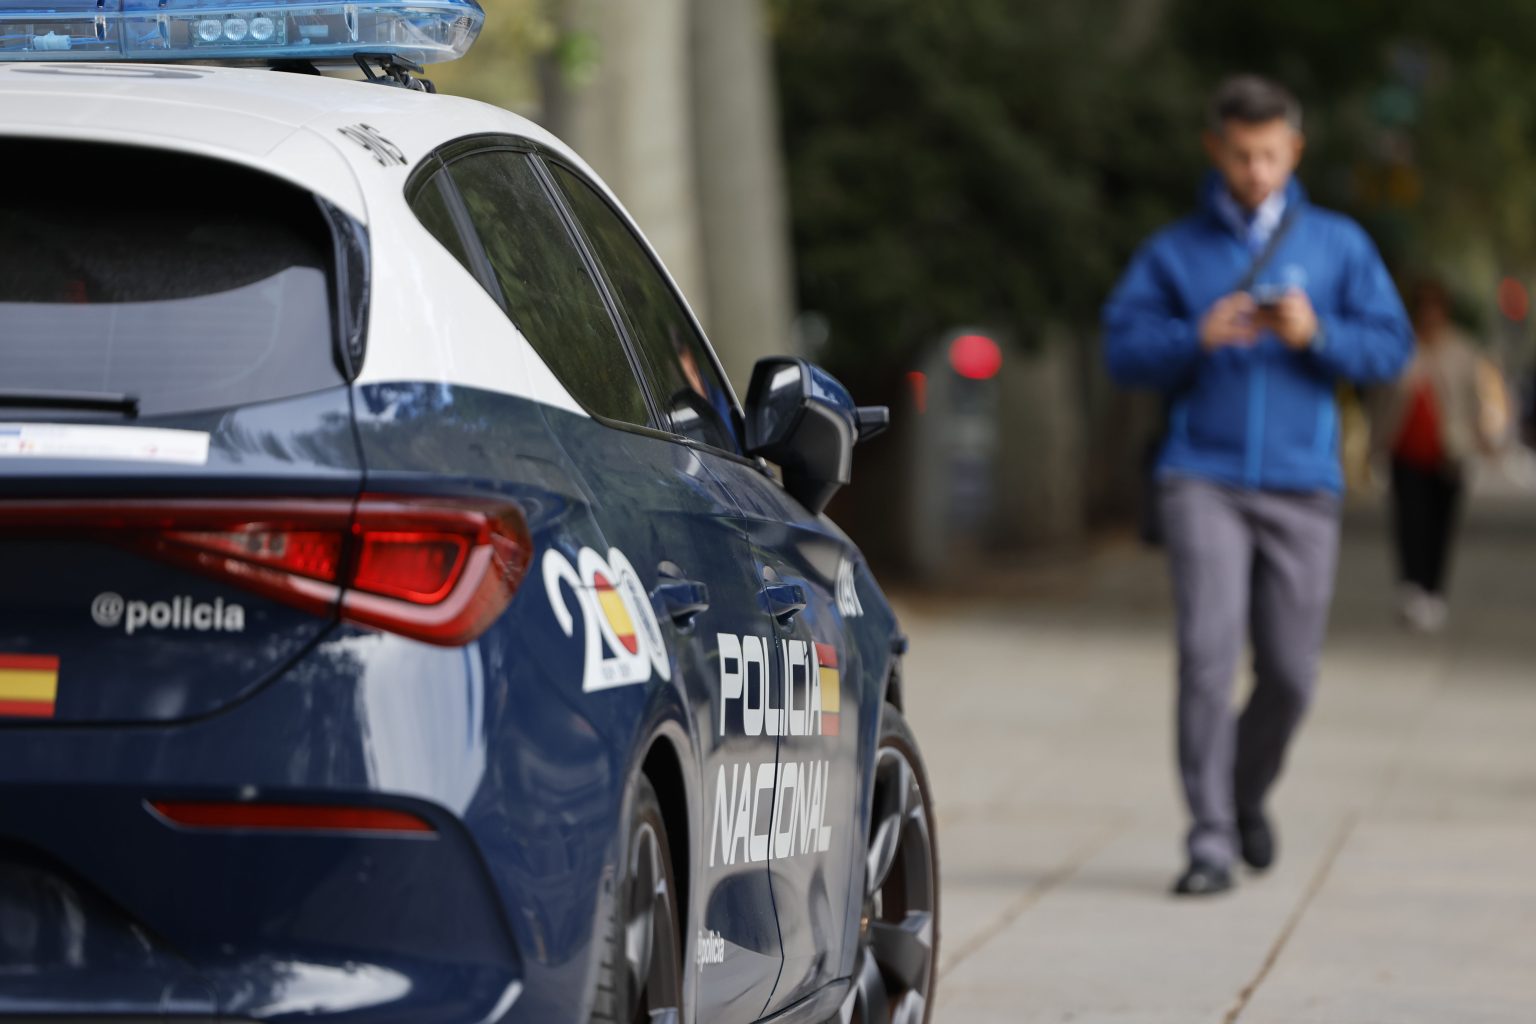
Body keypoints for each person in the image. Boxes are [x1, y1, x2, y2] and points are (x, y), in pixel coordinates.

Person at [1102, 75, 1412, 896]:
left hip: (1304, 483)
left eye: (1270, 155)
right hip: (1199, 477)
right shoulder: (1173, 251)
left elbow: (1391, 348)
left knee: (1291, 672)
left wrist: (1320, 333)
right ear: (1216, 149)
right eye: (1241, 155)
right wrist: (1192, 336)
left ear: (1294, 151)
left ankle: (1242, 792)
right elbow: (1122, 351)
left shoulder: (1339, 244)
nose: (1256, 171)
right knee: (1207, 658)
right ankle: (1208, 840)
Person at [1371, 279, 1492, 632]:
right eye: (1422, 307)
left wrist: (1481, 437)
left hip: (1448, 452)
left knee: (1440, 524)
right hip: (1405, 450)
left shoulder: (1462, 349)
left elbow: (1473, 400)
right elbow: (1381, 397)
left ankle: (1434, 591)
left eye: (1434, 307)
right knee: (1409, 522)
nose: (1429, 314)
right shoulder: (1400, 347)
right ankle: (1411, 588)